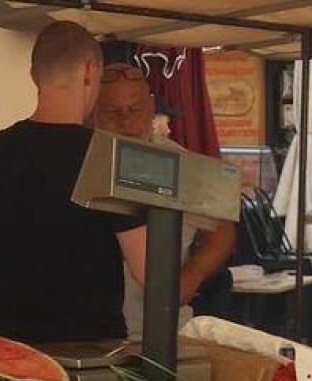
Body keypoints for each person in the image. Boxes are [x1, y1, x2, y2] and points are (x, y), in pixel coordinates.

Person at [0, 22, 147, 345]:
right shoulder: (108, 156)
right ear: (90, 71)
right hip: (92, 352)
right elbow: (148, 269)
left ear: (35, 75)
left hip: (14, 346)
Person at [94, 63, 237, 339]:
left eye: (134, 110)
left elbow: (222, 229)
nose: (124, 120)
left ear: (150, 109)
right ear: (93, 112)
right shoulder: (81, 160)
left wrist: (191, 276)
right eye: (112, 111)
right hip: (91, 332)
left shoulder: (179, 163)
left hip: (164, 329)